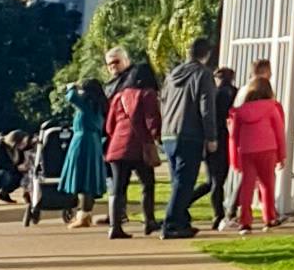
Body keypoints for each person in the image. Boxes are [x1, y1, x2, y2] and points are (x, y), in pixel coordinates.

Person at [159, 37, 232, 240]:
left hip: (169, 132)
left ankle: (181, 220)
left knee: (177, 181)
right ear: (206, 54)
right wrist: (211, 136)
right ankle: (171, 223)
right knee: (185, 181)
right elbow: (206, 107)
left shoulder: (172, 74)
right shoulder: (203, 75)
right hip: (189, 133)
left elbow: (163, 102)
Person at [104, 52, 163, 241]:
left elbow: (109, 126)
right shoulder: (148, 94)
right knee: (147, 184)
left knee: (118, 187)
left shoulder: (119, 96)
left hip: (116, 147)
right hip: (138, 146)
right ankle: (149, 221)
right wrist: (157, 136)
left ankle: (115, 226)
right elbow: (151, 120)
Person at [228, 65, 288, 231]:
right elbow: (279, 132)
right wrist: (282, 155)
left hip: (247, 150)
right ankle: (269, 217)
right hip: (268, 148)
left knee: (247, 185)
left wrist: (234, 160)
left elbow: (234, 137)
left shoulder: (240, 112)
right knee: (267, 184)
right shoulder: (272, 108)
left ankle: (245, 220)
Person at [55, 72, 109, 227]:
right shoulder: (98, 105)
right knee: (89, 179)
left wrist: (72, 86)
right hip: (93, 142)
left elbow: (70, 96)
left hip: (82, 142)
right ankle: (85, 214)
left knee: (83, 179)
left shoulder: (86, 105)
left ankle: (83, 216)